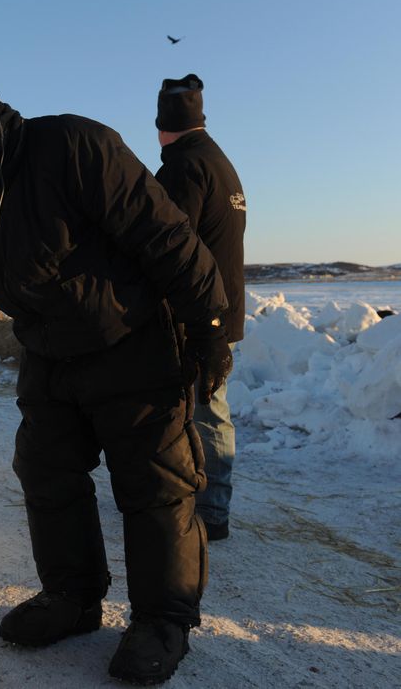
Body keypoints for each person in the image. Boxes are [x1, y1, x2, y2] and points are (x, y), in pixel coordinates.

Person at [0, 61, 232, 685]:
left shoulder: (70, 144)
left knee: (155, 485)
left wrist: (208, 327)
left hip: (133, 342)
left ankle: (162, 620)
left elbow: (166, 235)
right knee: (46, 473)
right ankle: (72, 598)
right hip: (48, 356)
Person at [154, 75, 246, 542]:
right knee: (207, 404)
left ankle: (210, 511)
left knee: (202, 409)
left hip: (197, 313)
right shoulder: (219, 162)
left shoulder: (184, 166)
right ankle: (205, 499)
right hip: (221, 308)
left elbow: (168, 242)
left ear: (163, 123)